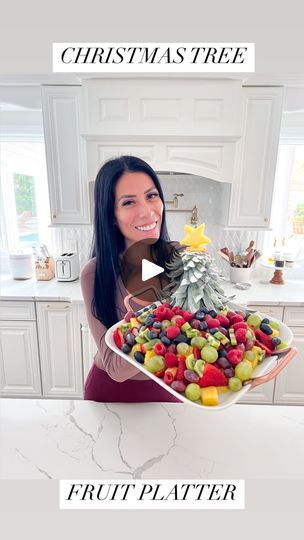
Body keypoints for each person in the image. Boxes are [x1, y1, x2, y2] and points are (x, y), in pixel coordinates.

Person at [80, 155, 182, 403]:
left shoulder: (179, 259)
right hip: (110, 394)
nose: (146, 212)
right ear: (111, 216)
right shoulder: (95, 273)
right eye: (128, 202)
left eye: (151, 196)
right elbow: (116, 368)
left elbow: (200, 338)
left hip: (172, 385)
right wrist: (160, 315)